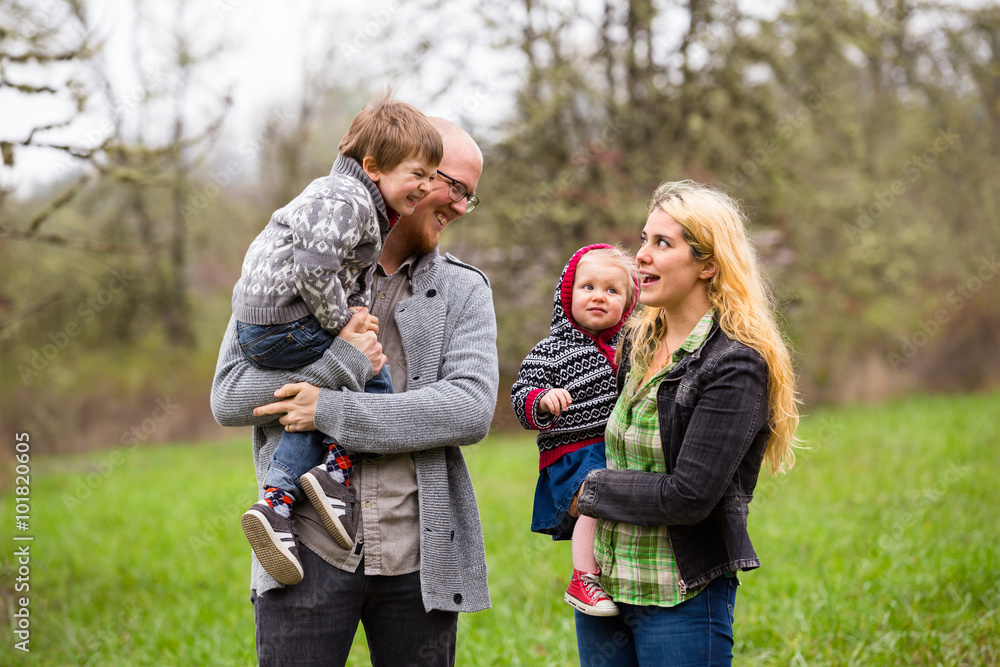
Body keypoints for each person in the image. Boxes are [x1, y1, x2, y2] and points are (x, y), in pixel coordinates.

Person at [211, 117, 497, 667]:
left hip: (418, 554)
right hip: (302, 548)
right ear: (402, 168)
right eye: (455, 186)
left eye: (471, 196)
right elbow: (229, 395)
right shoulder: (290, 264)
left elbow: (468, 408)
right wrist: (339, 363)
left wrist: (328, 409)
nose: (462, 207)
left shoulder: (463, 289)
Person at [572, 180, 800, 666]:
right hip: (604, 592)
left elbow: (689, 496)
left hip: (680, 596)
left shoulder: (734, 364)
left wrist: (588, 490)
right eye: (644, 239)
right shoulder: (635, 345)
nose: (641, 256)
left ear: (708, 264)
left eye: (662, 243)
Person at [230, 91, 442, 586]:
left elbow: (337, 268)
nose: (427, 187)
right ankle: (334, 471)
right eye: (418, 174)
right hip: (284, 322)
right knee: (373, 370)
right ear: (372, 167)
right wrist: (341, 326)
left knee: (320, 392)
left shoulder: (343, 196)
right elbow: (314, 267)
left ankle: (277, 503)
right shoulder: (346, 199)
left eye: (433, 176)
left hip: (265, 322)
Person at [511, 244, 639, 617]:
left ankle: (612, 572)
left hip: (614, 448)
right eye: (588, 287)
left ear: (628, 303)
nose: (599, 296)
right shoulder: (550, 351)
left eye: (612, 290)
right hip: (572, 454)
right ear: (567, 295)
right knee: (598, 496)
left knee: (623, 504)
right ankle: (582, 578)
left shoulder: (630, 347)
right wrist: (541, 400)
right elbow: (520, 397)